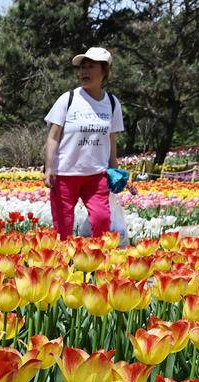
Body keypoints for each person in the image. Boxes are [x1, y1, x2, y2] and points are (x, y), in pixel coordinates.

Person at [43, 47, 125, 239]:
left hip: (96, 176)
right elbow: (53, 136)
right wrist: (48, 168)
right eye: (82, 68)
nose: (84, 72)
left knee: (102, 220)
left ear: (104, 71)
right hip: (65, 174)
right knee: (63, 228)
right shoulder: (68, 99)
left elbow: (111, 139)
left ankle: (96, 263)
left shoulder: (112, 103)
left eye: (90, 67)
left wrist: (116, 171)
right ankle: (63, 266)